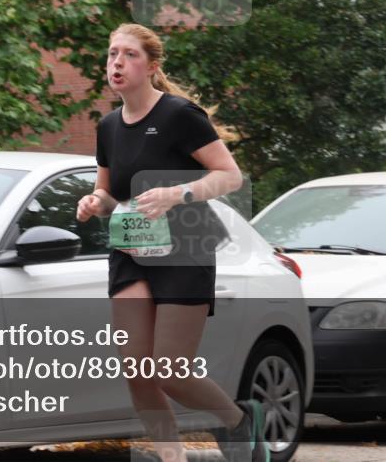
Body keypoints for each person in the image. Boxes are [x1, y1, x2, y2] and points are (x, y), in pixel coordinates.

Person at [76, 23, 267, 462]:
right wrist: (93, 202)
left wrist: (176, 194)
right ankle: (171, 458)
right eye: (111, 54)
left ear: (152, 66)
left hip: (186, 250)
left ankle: (238, 421)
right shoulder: (108, 127)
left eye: (128, 55)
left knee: (170, 370)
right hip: (131, 251)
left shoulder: (179, 116)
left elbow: (229, 175)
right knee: (138, 371)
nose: (117, 63)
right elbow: (108, 194)